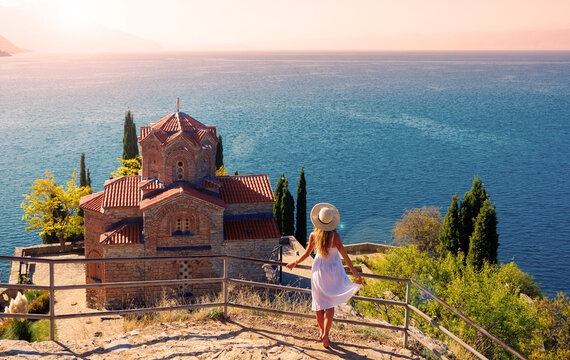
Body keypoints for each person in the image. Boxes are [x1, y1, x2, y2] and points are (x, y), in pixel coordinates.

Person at [286, 203, 363, 348]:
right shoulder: (336, 237)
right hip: (333, 272)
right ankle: (326, 335)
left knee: (319, 305)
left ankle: (322, 331)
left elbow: (307, 253)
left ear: (318, 220)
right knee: (330, 306)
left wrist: (294, 262)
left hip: (318, 272)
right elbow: (345, 257)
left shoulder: (314, 235)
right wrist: (355, 275)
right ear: (332, 221)